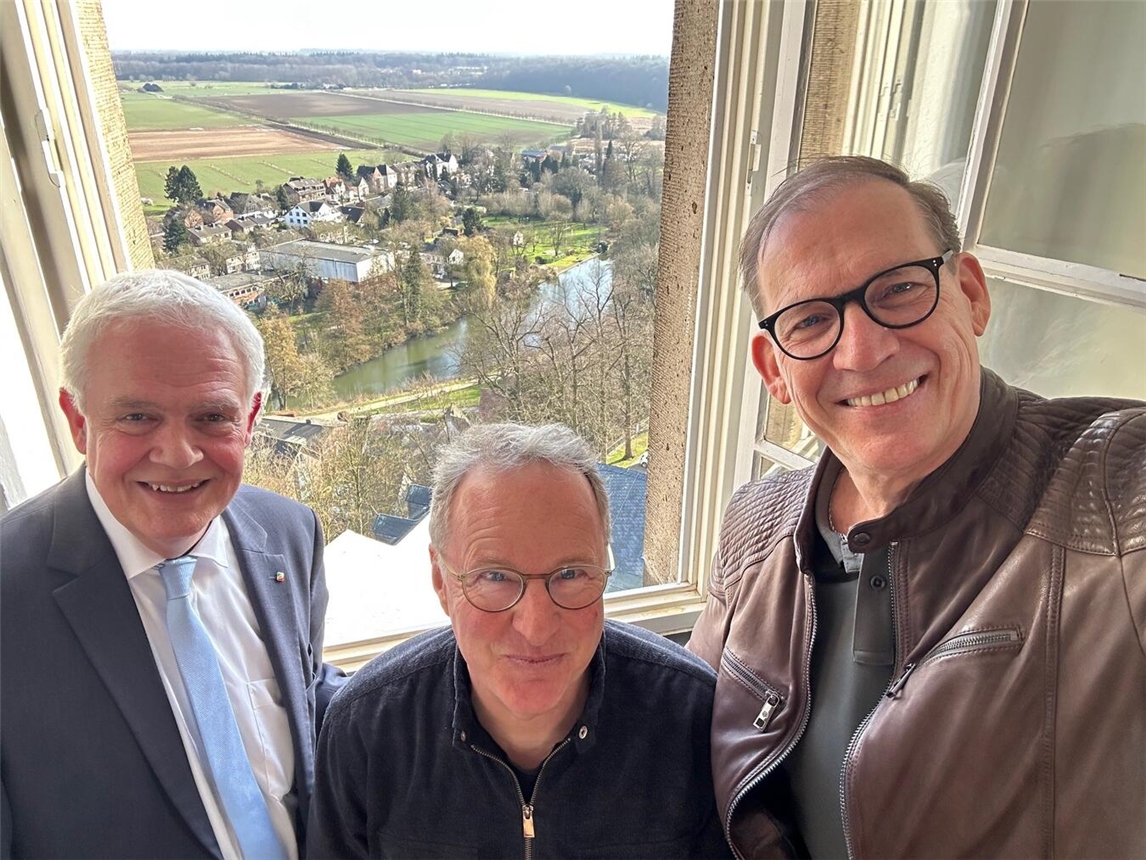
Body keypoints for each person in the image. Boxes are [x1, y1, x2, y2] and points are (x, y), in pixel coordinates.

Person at [688, 155, 1146, 858]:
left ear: (970, 293)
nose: (865, 350)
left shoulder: (1111, 496)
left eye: (900, 288)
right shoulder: (755, 527)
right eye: (811, 320)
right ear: (774, 368)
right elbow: (689, 738)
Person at [1, 270, 342, 859]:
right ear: (79, 421)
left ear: (252, 418)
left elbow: (303, 695)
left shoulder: (289, 532)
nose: (179, 455)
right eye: (137, 417)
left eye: (212, 417)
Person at [308, 423, 731, 859]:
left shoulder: (692, 719)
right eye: (494, 577)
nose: (536, 627)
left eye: (570, 574)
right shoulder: (366, 732)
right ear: (441, 580)